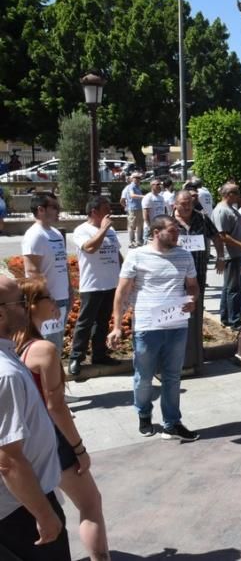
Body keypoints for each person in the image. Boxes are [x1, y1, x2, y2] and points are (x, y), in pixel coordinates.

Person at [15, 279, 110, 561]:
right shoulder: (42, 349)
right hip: (53, 442)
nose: (55, 300)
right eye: (48, 296)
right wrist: (79, 449)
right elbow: (56, 407)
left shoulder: (11, 347)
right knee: (91, 504)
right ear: (31, 305)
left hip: (24, 442)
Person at [109, 215, 200, 442]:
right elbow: (121, 292)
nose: (177, 233)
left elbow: (193, 286)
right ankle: (144, 413)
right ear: (156, 232)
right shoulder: (137, 255)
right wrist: (117, 326)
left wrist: (193, 300)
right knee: (144, 377)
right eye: (172, 230)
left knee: (172, 376)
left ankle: (172, 423)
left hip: (177, 325)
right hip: (147, 327)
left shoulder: (184, 255)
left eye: (178, 229)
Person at [0, 277, 71, 561]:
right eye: (20, 302)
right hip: (21, 508)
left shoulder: (7, 355)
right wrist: (44, 513)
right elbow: (8, 459)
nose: (27, 307)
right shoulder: (5, 373)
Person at [69, 196, 122, 377]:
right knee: (85, 322)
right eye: (106, 207)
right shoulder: (81, 230)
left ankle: (99, 355)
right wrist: (103, 228)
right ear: (94, 211)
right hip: (93, 284)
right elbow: (90, 248)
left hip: (111, 283)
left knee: (103, 322)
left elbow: (116, 253)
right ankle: (76, 358)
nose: (110, 211)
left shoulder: (111, 230)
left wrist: (125, 273)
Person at [172, 190, 225, 369]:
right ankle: (177, 351)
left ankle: (195, 349)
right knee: (177, 312)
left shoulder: (201, 218)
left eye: (189, 203)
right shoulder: (167, 222)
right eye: (183, 203)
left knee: (196, 311)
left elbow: (216, 237)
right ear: (175, 204)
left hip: (198, 273)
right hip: (175, 278)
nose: (187, 206)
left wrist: (220, 257)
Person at [22, 192, 71, 351]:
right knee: (47, 348)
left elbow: (63, 263)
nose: (58, 210)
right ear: (40, 210)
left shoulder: (55, 233)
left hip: (61, 298)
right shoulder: (35, 235)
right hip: (46, 301)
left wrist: (69, 289)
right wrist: (48, 300)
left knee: (56, 345)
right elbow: (32, 271)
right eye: (54, 207)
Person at [212, 184, 241, 330]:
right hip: (231, 254)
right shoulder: (221, 211)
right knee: (233, 289)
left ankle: (226, 317)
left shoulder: (232, 209)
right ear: (229, 194)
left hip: (237, 254)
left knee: (230, 287)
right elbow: (223, 236)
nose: (239, 196)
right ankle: (234, 320)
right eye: (237, 193)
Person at [122, 172, 144, 247]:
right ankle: (131, 241)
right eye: (136, 178)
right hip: (132, 208)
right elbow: (132, 195)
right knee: (131, 226)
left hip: (139, 208)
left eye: (139, 178)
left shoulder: (138, 187)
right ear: (132, 179)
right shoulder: (131, 186)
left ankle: (139, 241)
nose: (138, 179)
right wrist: (143, 196)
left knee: (139, 225)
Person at [140, 178, 166, 243]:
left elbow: (163, 211)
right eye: (158, 184)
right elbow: (145, 214)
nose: (160, 186)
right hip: (150, 227)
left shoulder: (161, 197)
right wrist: (150, 227)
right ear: (152, 186)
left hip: (160, 226)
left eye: (160, 184)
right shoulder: (148, 197)